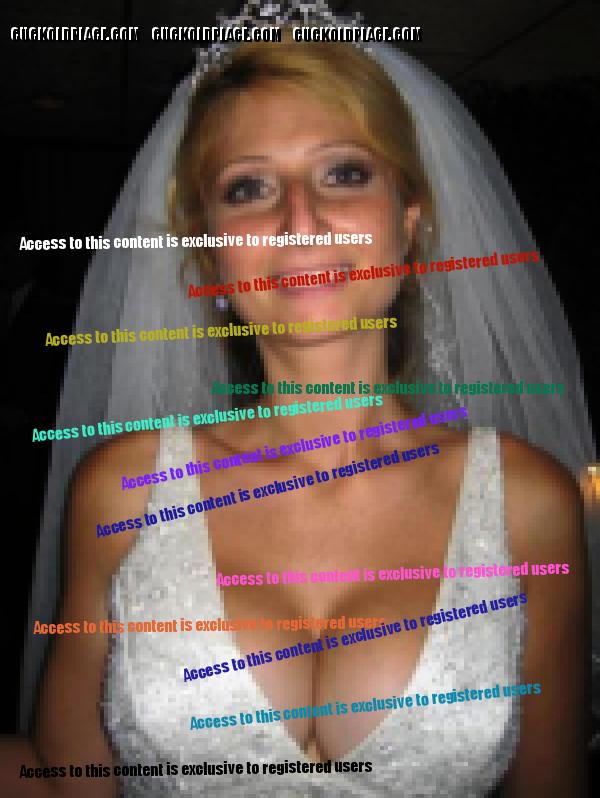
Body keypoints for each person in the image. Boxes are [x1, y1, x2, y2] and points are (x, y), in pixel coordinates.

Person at [5, 20, 595, 798]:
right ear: (210, 250)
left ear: (408, 221)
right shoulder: (121, 490)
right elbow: (65, 779)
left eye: (343, 174)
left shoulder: (530, 503)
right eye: (247, 188)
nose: (300, 218)